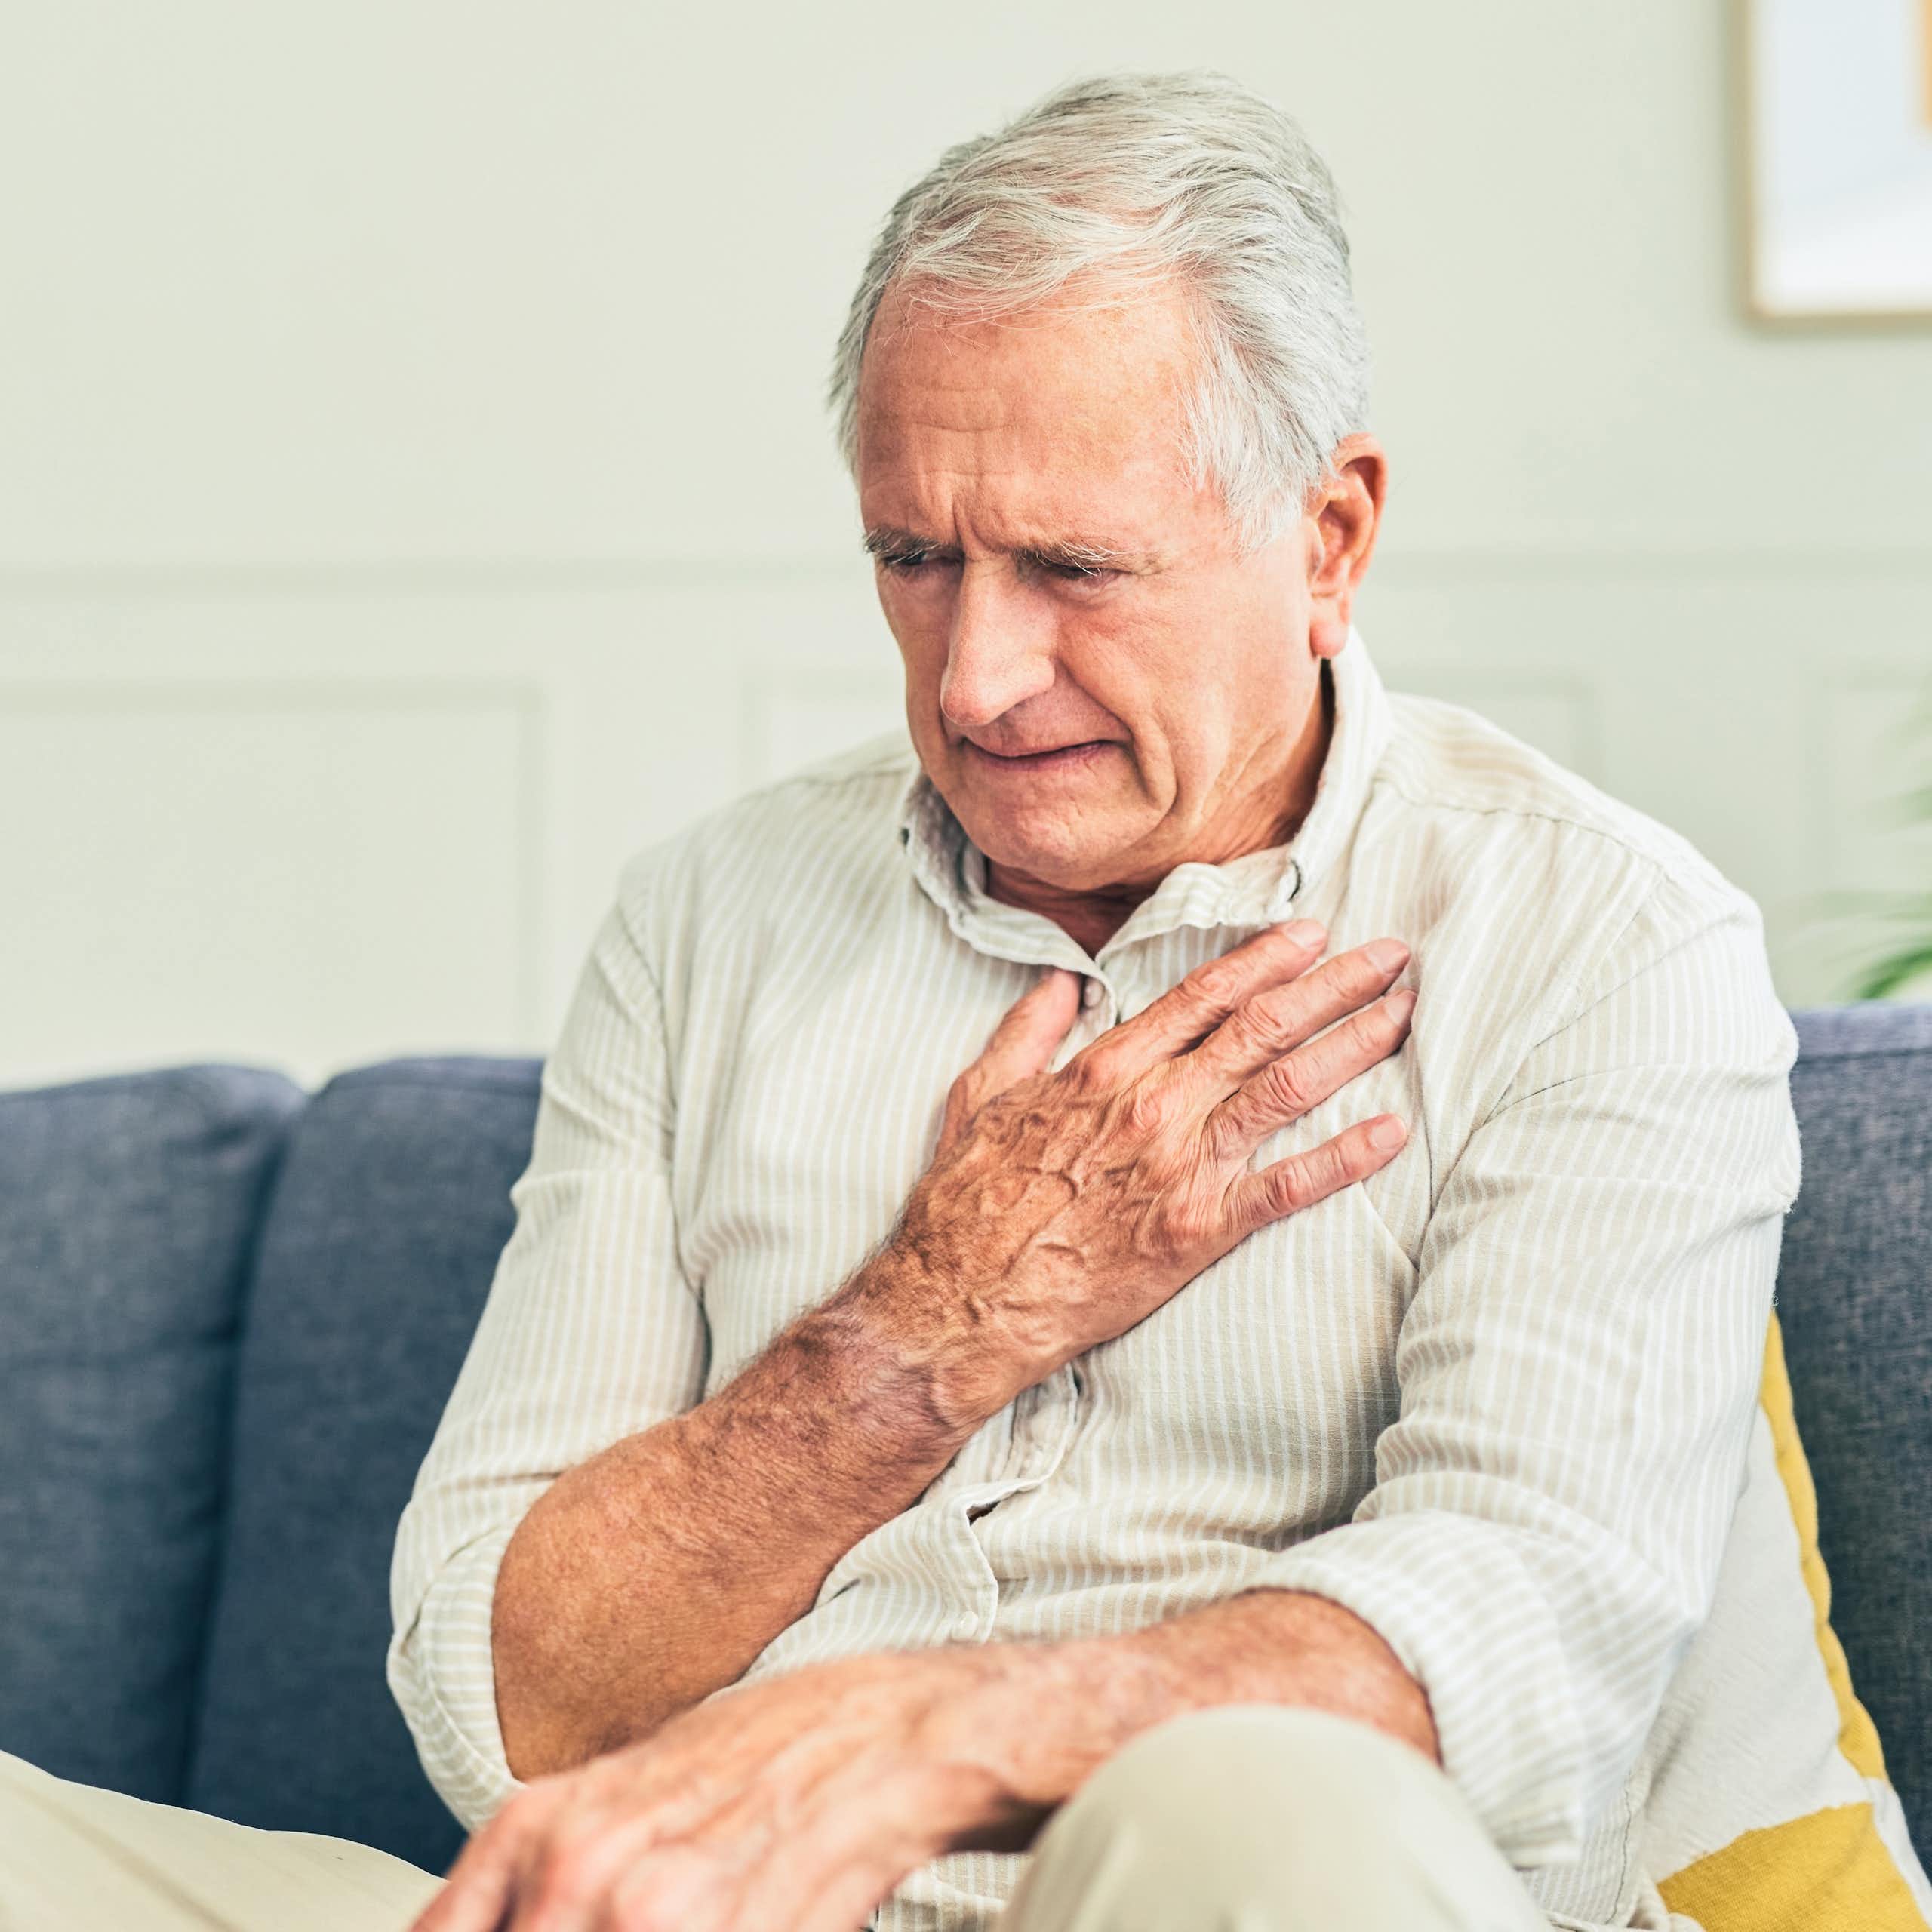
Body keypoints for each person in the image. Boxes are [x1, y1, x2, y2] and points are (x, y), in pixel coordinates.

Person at [6, 67, 1922, 1932]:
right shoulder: (708, 918)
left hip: (1253, 1891)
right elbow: (505, 1703)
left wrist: (929, 1730)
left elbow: (1526, 1643)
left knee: (1257, 1792)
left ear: (1326, 538)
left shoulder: (1597, 934)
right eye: (912, 557)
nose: (979, 677)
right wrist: (921, 1332)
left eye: (1072, 566)